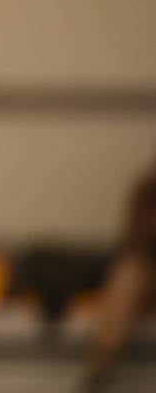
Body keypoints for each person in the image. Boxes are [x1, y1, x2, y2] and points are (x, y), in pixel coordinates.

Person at [81, 145, 156, 391]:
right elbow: (136, 240)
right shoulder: (145, 190)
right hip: (148, 265)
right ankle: (101, 365)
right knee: (128, 275)